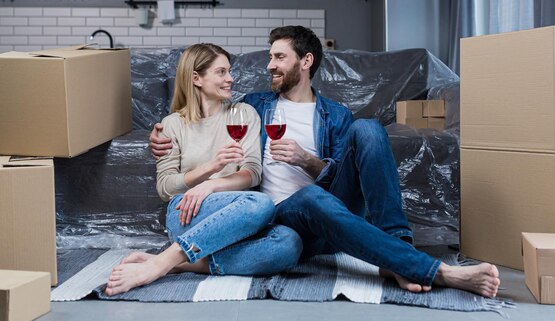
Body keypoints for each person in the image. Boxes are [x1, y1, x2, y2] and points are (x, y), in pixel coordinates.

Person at [151, 27, 500, 298]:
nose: (269, 65)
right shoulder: (251, 106)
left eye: (279, 58)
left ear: (305, 62)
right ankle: (425, 269)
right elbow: (205, 112)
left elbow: (344, 177)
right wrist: (160, 137)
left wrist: (307, 161)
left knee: (367, 130)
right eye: (270, 57)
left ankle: (399, 252)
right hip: (279, 217)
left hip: (331, 210)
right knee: (308, 200)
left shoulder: (335, 115)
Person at [105, 43, 302, 296]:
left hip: (239, 215)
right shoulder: (172, 125)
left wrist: (211, 185)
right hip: (187, 214)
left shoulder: (244, 114)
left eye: (230, 72)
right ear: (196, 78)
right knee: (261, 204)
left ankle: (180, 264)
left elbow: (252, 173)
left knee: (289, 242)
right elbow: (165, 188)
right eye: (221, 72)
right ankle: (163, 262)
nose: (230, 79)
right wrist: (210, 168)